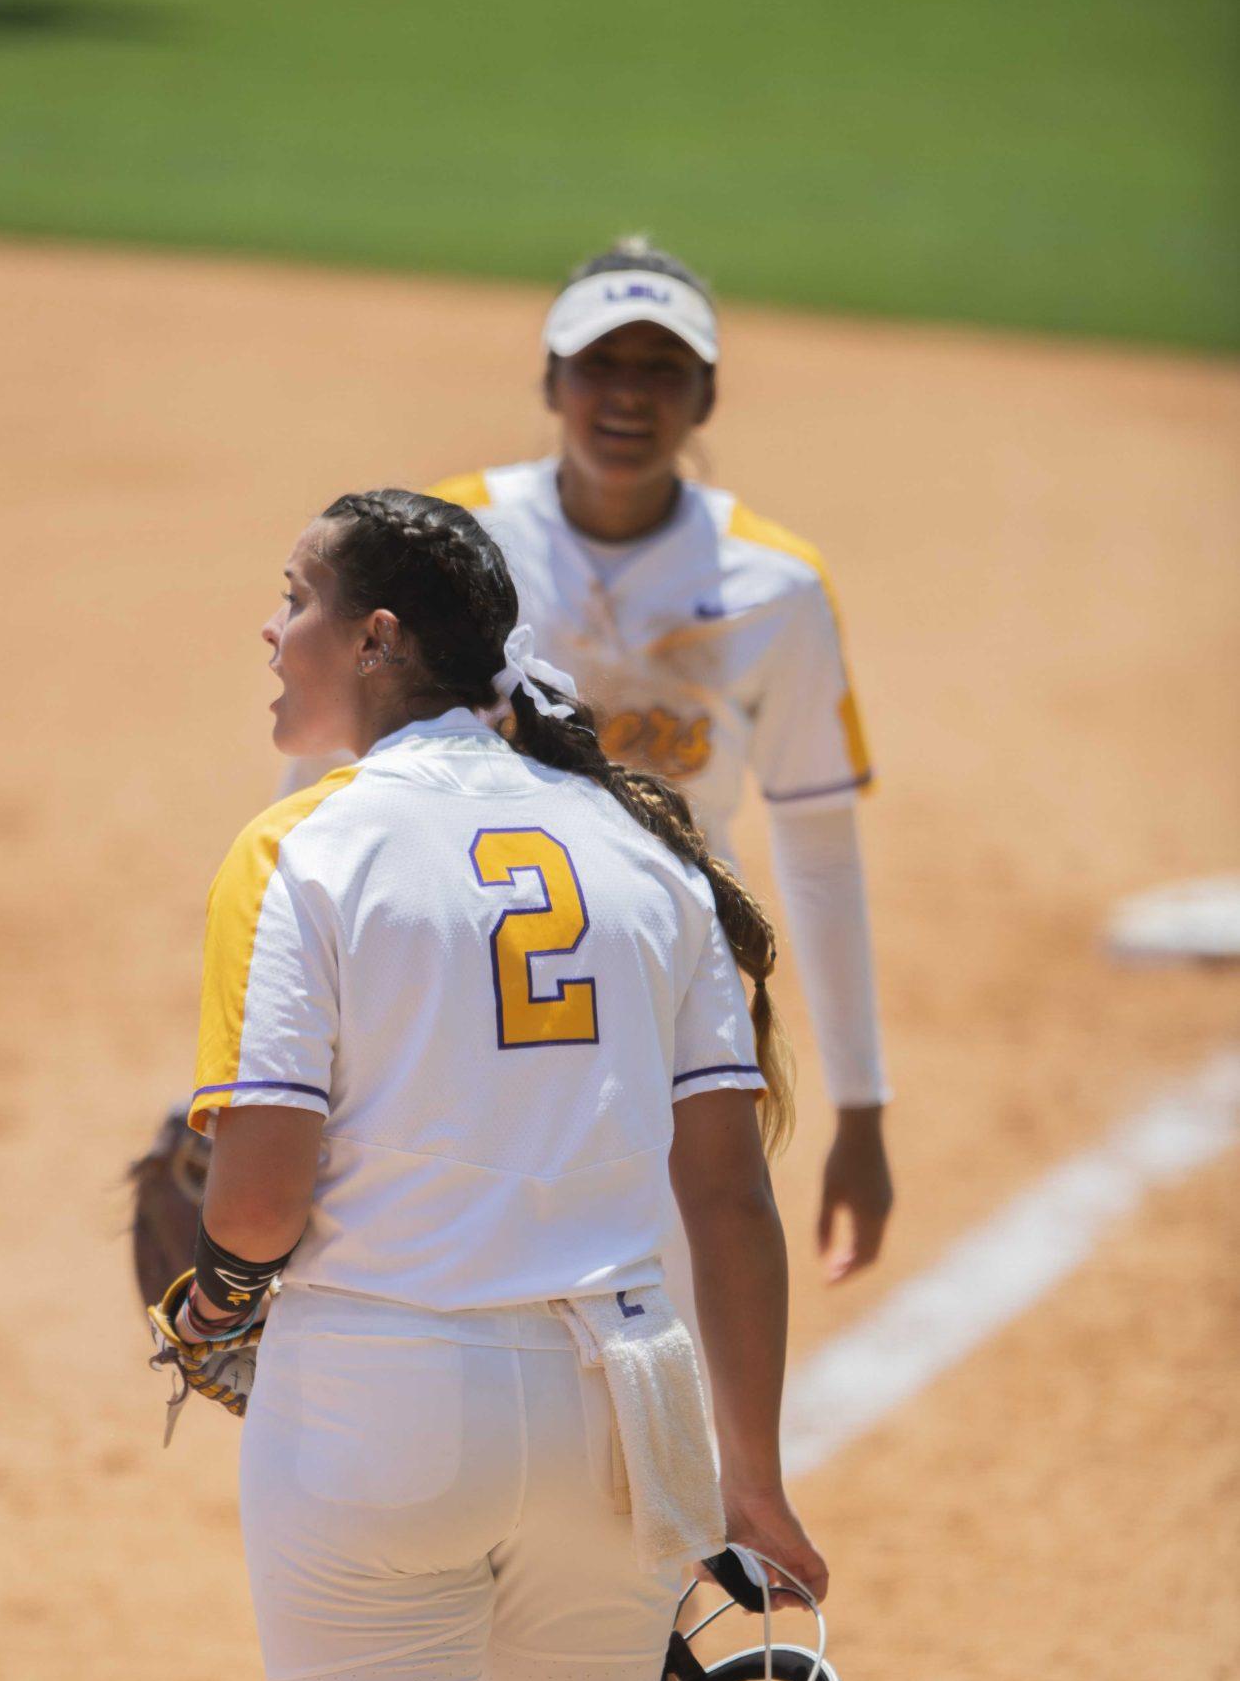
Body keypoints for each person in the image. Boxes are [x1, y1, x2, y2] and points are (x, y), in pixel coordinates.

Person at [161, 494, 826, 1681]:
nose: (266, 629)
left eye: (289, 600)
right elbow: (728, 1188)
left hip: (381, 1406)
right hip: (627, 1412)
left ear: (376, 641)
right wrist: (759, 1478)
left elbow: (264, 1195)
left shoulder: (311, 842)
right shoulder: (638, 848)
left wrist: (217, 1250)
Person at [279, 239, 893, 1289]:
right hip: (466, 969)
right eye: (601, 363)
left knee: (670, 1306)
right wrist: (279, 1066)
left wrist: (863, 1110)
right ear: (552, 381)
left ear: (705, 396)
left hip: (669, 982)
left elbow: (821, 856)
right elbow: (322, 800)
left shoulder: (777, 587)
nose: (628, 394)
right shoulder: (447, 540)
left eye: (662, 368)